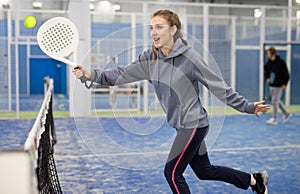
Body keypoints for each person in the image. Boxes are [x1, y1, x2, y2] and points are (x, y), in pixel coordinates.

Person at [73, 9, 270, 194]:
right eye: (152, 28)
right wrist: (91, 74)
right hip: (181, 126)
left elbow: (217, 86)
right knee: (205, 171)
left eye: (159, 27)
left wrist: (247, 107)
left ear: (173, 29)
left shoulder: (190, 58)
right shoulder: (149, 58)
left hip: (194, 124)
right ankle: (254, 180)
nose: (153, 32)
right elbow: (121, 74)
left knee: (172, 174)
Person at [264, 47, 292, 125]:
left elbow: (286, 74)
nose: (267, 54)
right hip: (271, 85)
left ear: (272, 54)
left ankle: (274, 118)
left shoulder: (281, 62)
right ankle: (286, 114)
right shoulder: (269, 62)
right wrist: (268, 77)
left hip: (279, 85)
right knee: (276, 101)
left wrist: (285, 84)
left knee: (274, 101)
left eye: (268, 53)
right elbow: (266, 70)